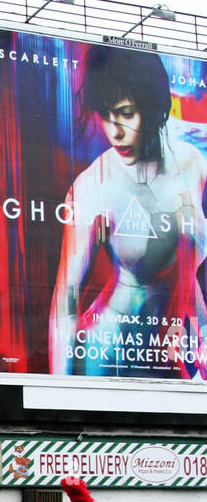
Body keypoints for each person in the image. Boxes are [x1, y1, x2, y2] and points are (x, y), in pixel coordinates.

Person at [49, 46, 207, 379]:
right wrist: (59, 394)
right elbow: (67, 298)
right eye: (105, 114)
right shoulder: (93, 186)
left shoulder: (193, 164)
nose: (114, 130)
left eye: (125, 112)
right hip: (109, 354)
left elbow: (190, 278)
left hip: (171, 353)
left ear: (152, 108)